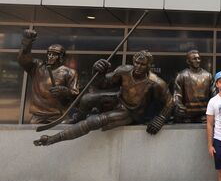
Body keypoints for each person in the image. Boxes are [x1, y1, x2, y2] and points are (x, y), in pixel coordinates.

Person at [33, 50, 173, 146]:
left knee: (94, 121)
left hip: (132, 113)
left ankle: (52, 139)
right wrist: (98, 72)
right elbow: (102, 84)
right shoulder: (124, 70)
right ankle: (78, 117)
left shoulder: (156, 83)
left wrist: (160, 119)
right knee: (87, 99)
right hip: (119, 100)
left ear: (149, 65)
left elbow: (170, 102)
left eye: (143, 64)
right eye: (136, 62)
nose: (138, 66)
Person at [18, 28, 79, 124]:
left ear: (61, 57)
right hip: (38, 114)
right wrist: (27, 43)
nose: (50, 56)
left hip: (59, 115)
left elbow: (75, 94)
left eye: (54, 55)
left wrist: (64, 91)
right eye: (49, 54)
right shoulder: (38, 66)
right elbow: (23, 59)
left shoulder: (70, 72)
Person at [173, 50, 214, 123]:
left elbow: (214, 95)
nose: (197, 60)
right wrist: (179, 106)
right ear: (188, 61)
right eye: (194, 59)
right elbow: (177, 95)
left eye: (199, 58)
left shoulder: (208, 75)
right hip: (187, 116)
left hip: (204, 115)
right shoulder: (182, 75)